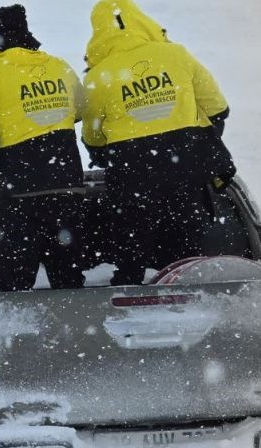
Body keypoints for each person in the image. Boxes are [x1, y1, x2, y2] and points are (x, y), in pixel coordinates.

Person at [81, 0, 237, 285]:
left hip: (132, 174)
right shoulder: (176, 55)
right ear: (142, 20)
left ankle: (128, 292)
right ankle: (185, 295)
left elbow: (92, 136)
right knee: (186, 253)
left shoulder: (99, 76)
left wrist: (113, 150)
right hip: (185, 169)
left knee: (132, 250)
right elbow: (218, 108)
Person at [0, 4, 86, 291]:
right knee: (68, 279)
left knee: (14, 283)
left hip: (21, 193)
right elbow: (80, 110)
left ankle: (18, 333)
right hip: (67, 186)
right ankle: (74, 328)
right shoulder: (59, 67)